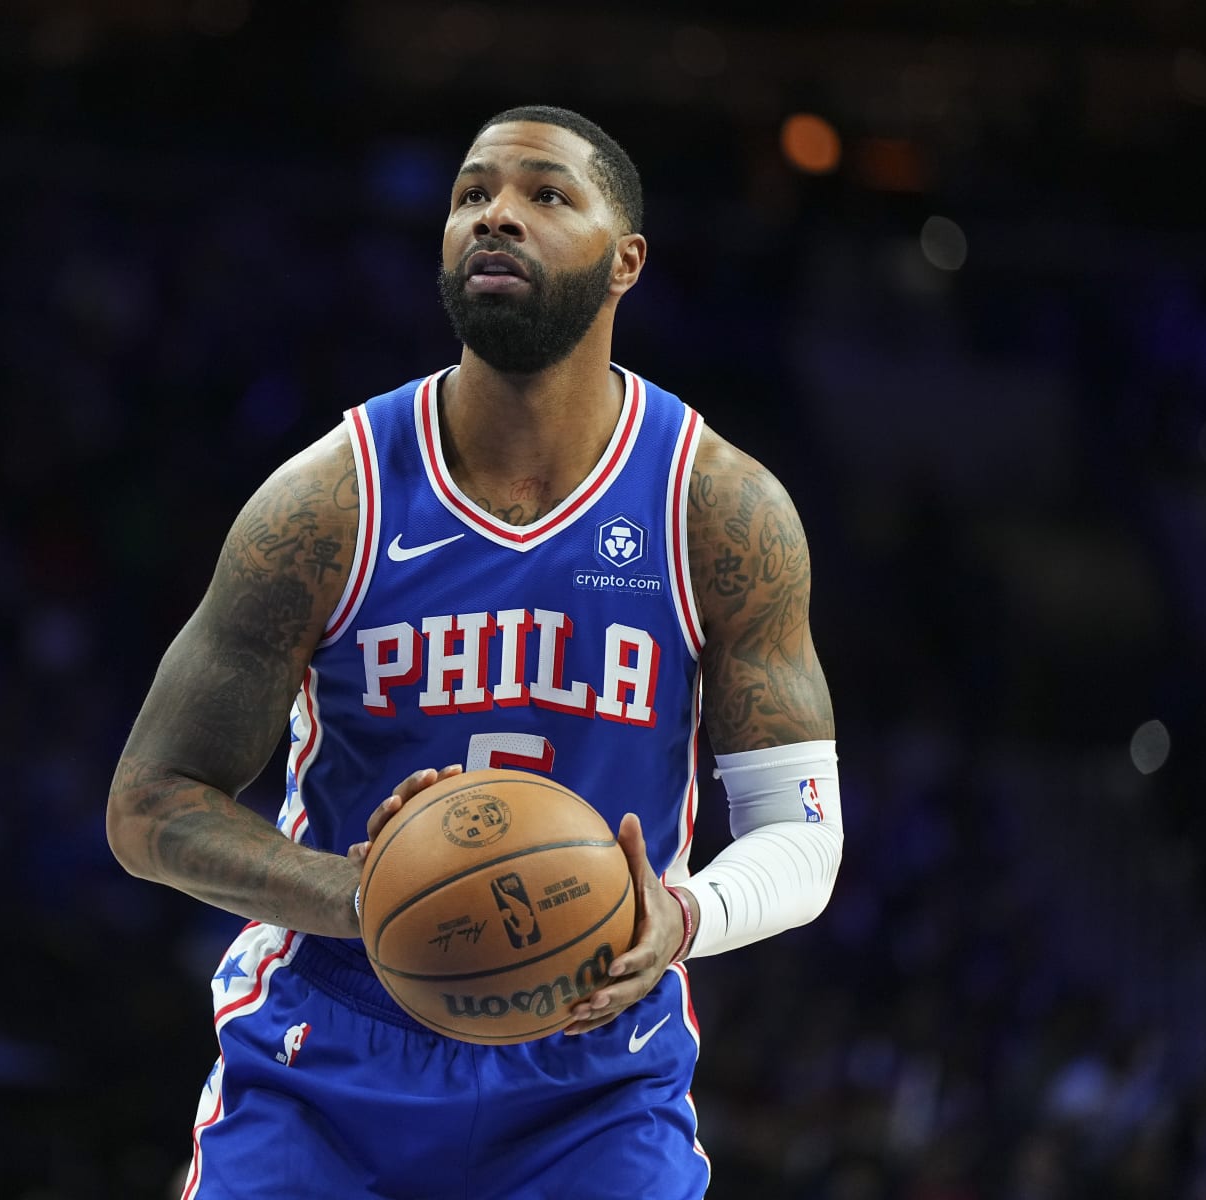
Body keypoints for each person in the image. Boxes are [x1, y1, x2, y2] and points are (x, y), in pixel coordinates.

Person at [108, 104, 844, 1200]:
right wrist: (359, 894)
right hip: (331, 1052)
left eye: (546, 194)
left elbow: (803, 835)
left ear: (624, 261)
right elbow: (149, 807)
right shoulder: (331, 501)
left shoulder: (718, 510)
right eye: (471, 195)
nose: (496, 215)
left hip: (595, 1077)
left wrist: (680, 916)